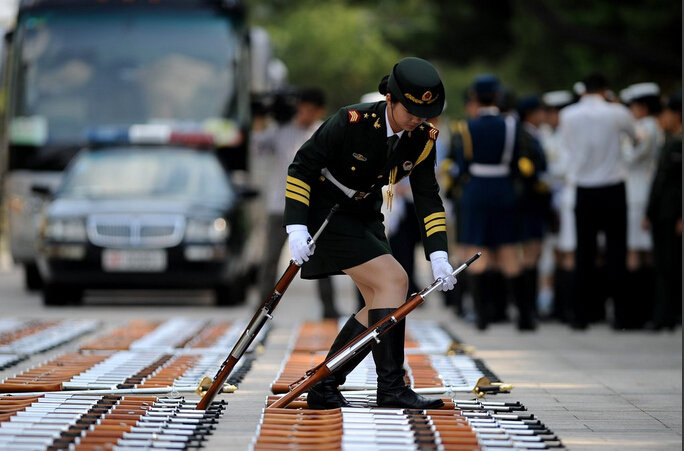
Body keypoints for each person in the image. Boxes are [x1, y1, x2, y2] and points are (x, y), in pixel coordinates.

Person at [284, 57, 457, 410]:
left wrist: (439, 254)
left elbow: (427, 195)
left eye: (424, 113)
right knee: (395, 281)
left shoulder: (423, 138)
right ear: (390, 99)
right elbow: (302, 167)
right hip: (327, 211)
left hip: (365, 213)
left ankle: (325, 384)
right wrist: (297, 227)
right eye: (409, 110)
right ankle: (390, 388)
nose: (416, 119)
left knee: (380, 299)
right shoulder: (352, 120)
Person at [451, 75, 535, 331]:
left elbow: (461, 167)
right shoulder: (511, 126)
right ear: (497, 97)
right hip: (503, 190)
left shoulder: (466, 128)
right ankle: (524, 317)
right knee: (508, 251)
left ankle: (481, 317)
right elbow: (519, 163)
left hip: (476, 190)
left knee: (478, 251)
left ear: (475, 98)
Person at [251, 88, 340, 319]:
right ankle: (262, 308)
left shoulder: (322, 131)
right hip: (279, 206)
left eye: (311, 109)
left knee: (321, 259)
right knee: (270, 259)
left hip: (312, 206)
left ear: (320, 111)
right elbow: (257, 145)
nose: (305, 113)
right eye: (302, 107)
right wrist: (260, 117)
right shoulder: (281, 130)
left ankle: (329, 308)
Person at [558, 73, 637, 330]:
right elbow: (635, 138)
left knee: (584, 253)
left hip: (584, 188)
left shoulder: (568, 114)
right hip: (613, 186)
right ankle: (622, 316)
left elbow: (567, 146)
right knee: (616, 252)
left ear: (584, 90)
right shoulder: (617, 112)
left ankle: (580, 315)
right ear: (605, 90)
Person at [620, 82, 664, 328]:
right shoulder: (647, 126)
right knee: (641, 254)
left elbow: (632, 157)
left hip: (638, 196)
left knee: (636, 254)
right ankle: (643, 311)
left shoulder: (646, 127)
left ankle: (638, 313)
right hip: (638, 194)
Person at [644, 92, 682, 331]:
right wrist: (649, 212)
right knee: (663, 265)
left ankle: (668, 315)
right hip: (661, 213)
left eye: (666, 113)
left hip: (674, 214)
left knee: (671, 265)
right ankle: (663, 315)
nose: (662, 118)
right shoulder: (670, 140)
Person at [516, 95, 551, 320]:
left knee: (534, 254)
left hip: (535, 204)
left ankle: (530, 307)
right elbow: (528, 172)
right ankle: (527, 309)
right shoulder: (525, 137)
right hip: (529, 203)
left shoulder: (531, 135)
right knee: (529, 255)